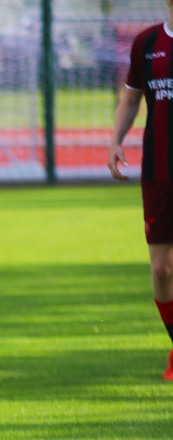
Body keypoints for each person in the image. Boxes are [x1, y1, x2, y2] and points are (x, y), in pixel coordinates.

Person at [108, 1, 173, 379]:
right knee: (162, 269)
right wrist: (115, 140)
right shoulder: (147, 43)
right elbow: (131, 98)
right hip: (158, 170)